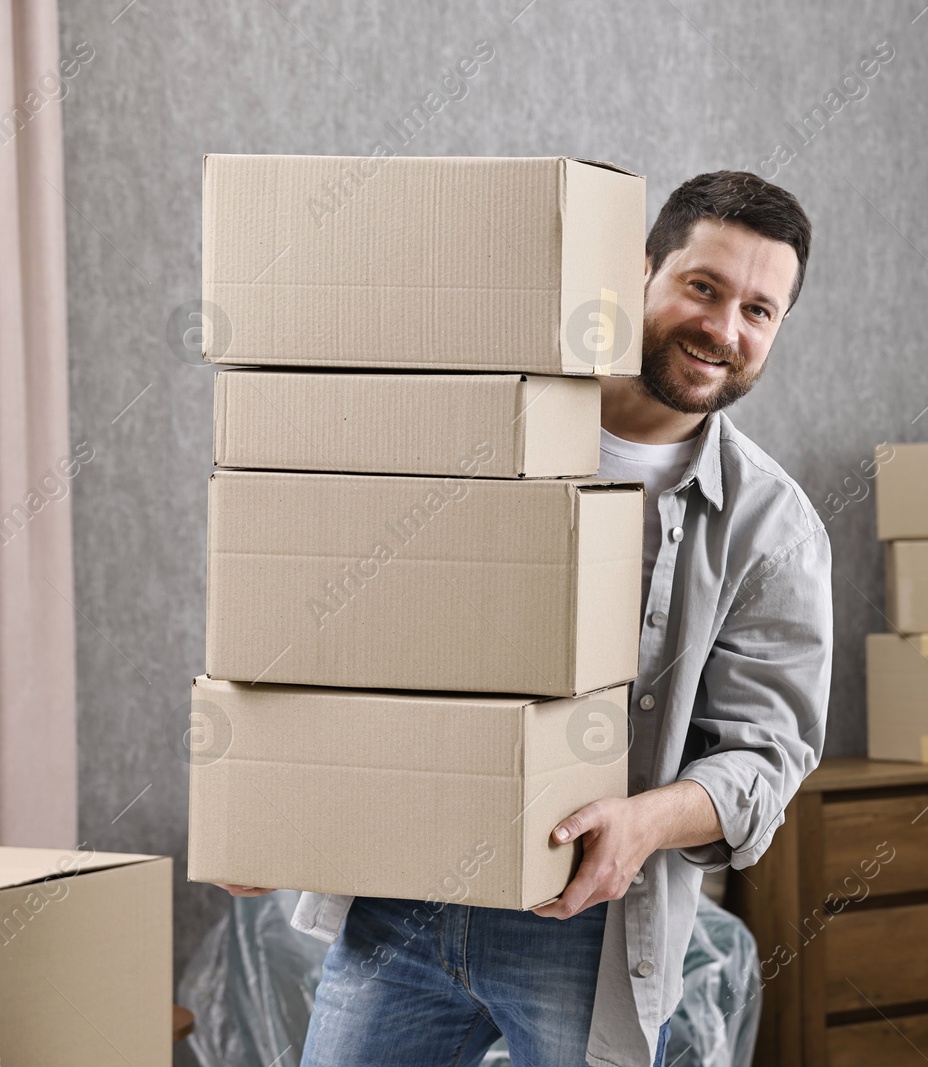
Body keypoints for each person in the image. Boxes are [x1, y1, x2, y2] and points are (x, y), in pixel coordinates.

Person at [221, 171, 833, 1067]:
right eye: (704, 286)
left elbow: (767, 755)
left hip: (585, 928)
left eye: (759, 310)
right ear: (641, 270)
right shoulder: (485, 424)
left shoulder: (772, 531)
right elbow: (349, 623)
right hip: (401, 899)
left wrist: (644, 822)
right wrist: (284, 806)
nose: (724, 328)